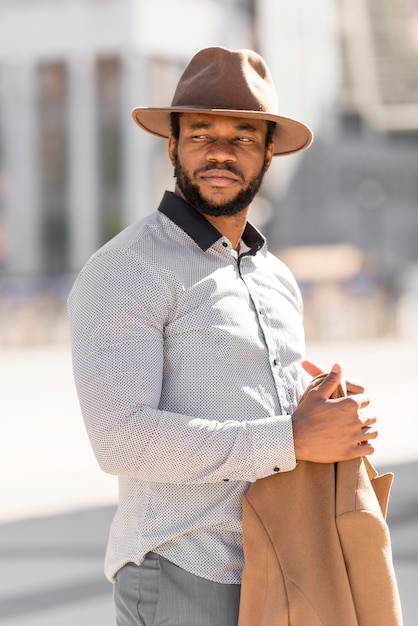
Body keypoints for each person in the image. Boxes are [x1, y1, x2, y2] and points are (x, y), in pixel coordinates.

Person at [68, 47, 378, 626]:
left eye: (242, 136)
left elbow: (276, 422)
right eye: (202, 133)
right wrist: (291, 437)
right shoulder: (126, 269)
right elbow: (120, 439)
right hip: (187, 571)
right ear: (172, 145)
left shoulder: (276, 277)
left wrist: (323, 415)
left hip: (284, 566)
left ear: (266, 155)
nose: (220, 151)